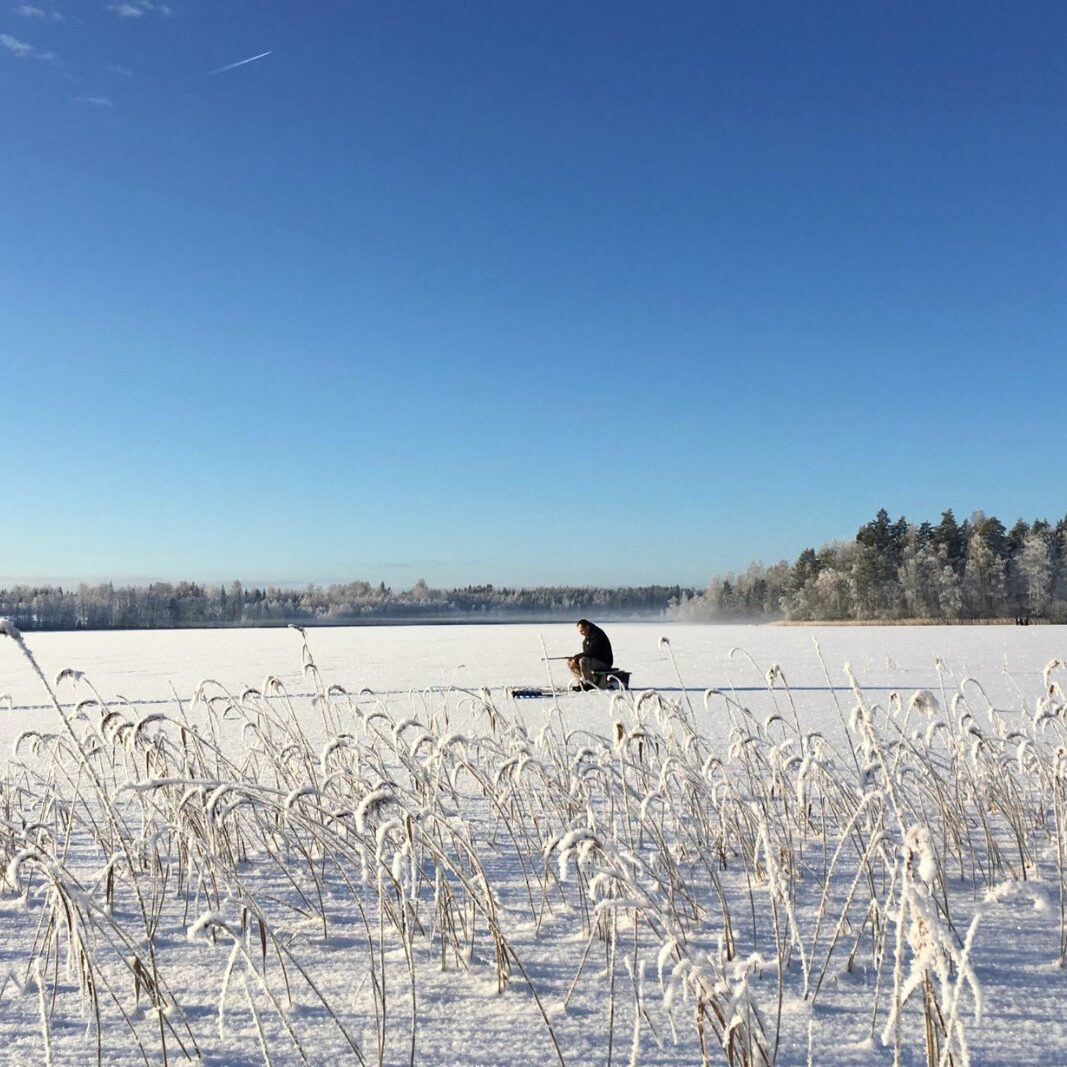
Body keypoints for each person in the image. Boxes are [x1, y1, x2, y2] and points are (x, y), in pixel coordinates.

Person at [567, 619, 613, 688]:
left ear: (587, 627)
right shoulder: (587, 638)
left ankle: (588, 684)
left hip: (604, 662)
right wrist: (574, 659)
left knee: (583, 660)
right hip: (594, 661)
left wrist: (577, 658)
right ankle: (582, 683)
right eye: (580, 631)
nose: (581, 633)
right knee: (570, 662)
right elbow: (587, 653)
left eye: (582, 630)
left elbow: (592, 652)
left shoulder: (597, 635)